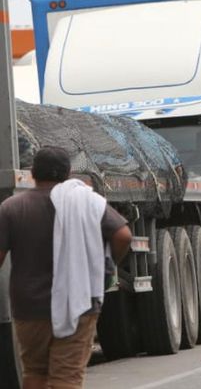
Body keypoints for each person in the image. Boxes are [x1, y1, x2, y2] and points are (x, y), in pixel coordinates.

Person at [0, 146, 132, 389]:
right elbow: (123, 235)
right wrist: (108, 263)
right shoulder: (88, 202)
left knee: (34, 372)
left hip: (29, 307)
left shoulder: (11, 208)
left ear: (32, 173)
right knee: (67, 377)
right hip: (78, 300)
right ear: (68, 174)